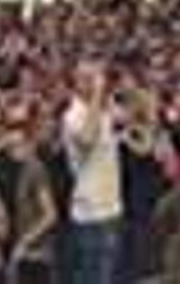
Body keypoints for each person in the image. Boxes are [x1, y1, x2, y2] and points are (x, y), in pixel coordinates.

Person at [57, 63, 123, 284]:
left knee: (109, 274)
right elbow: (88, 139)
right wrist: (97, 96)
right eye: (87, 78)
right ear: (75, 84)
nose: (95, 82)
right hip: (91, 210)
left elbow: (132, 120)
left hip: (112, 203)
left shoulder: (103, 110)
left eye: (95, 77)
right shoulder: (72, 115)